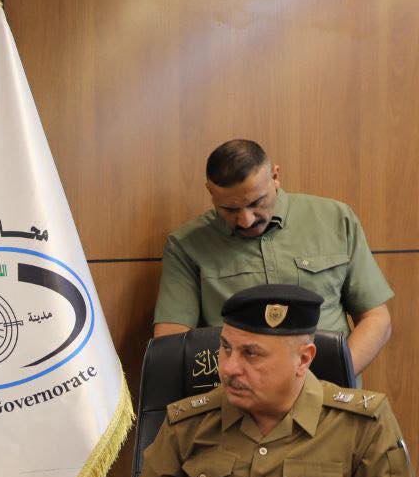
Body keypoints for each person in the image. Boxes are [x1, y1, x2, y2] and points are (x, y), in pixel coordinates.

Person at [130, 284, 419, 477]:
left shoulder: (362, 424)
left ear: (303, 359)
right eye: (226, 348)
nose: (229, 368)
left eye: (251, 354)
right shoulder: (188, 422)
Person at [153, 139, 393, 373]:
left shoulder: (336, 219)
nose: (246, 220)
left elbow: (376, 318)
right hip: (235, 391)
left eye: (256, 202)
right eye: (229, 209)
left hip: (329, 390)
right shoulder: (187, 245)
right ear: (210, 192)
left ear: (275, 176)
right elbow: (172, 343)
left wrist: (334, 378)